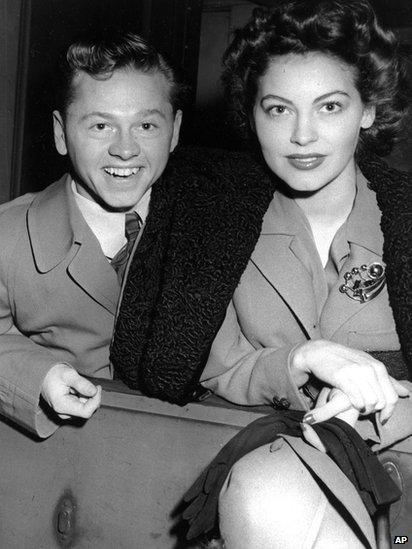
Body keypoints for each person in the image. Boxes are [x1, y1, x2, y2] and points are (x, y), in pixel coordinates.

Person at [182, 1, 412, 547]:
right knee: (268, 501)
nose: (302, 135)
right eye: (279, 109)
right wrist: (302, 360)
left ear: (368, 110)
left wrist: (384, 399)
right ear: (252, 115)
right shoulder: (219, 226)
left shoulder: (403, 220)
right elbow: (210, 364)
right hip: (278, 475)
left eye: (330, 106)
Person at [0, 31, 183, 438]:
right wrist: (38, 375)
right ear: (61, 133)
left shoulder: (207, 230)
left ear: (174, 131)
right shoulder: (8, 235)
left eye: (147, 125)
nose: (125, 149)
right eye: (101, 125)